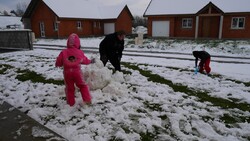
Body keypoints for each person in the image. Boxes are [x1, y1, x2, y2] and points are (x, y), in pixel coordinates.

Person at [55, 33, 95, 106]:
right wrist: (90, 61)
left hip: (67, 73)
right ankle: (87, 100)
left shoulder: (64, 52)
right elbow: (84, 60)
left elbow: (59, 62)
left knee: (69, 88)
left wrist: (58, 64)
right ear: (78, 43)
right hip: (77, 73)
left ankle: (71, 102)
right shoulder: (79, 52)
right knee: (82, 86)